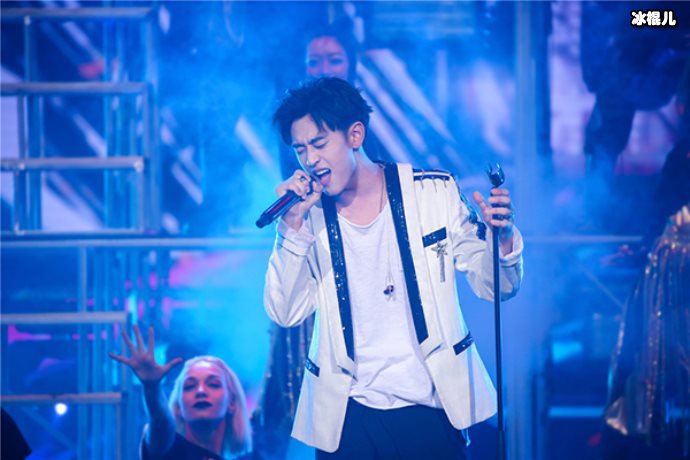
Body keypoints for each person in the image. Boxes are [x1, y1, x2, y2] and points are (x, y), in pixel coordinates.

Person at [263, 77, 523, 458]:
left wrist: (503, 239)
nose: (310, 160)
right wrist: (291, 228)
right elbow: (285, 312)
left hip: (431, 406)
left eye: (319, 144)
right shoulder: (308, 220)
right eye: (300, 149)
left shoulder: (433, 193)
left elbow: (497, 287)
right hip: (348, 415)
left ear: (355, 135)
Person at [109, 325, 252, 460]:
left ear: (231, 403)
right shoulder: (170, 451)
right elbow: (161, 423)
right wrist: (152, 387)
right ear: (178, 408)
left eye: (213, 384)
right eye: (189, 386)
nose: (200, 391)